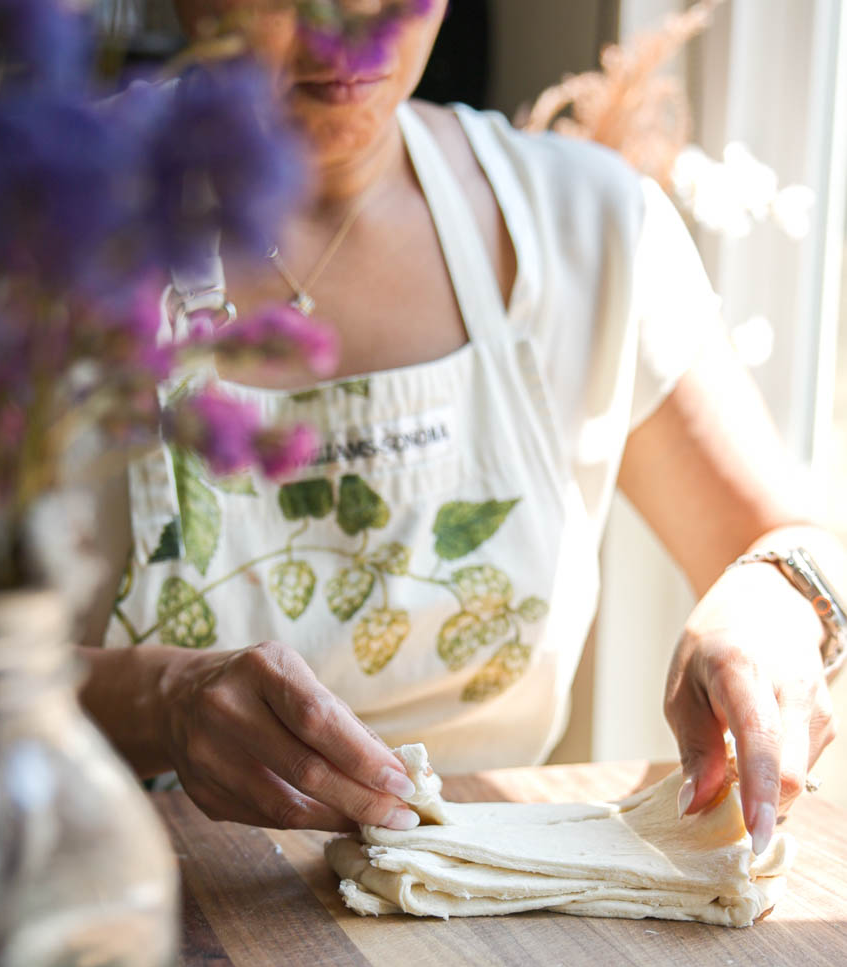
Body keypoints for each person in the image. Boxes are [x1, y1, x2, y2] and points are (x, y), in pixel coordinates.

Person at [80, 0, 845, 855]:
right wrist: (165, 701)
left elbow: (798, 540)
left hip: (478, 922)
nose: (353, 29)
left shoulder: (587, 227)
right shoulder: (29, 234)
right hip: (116, 913)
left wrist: (771, 604)